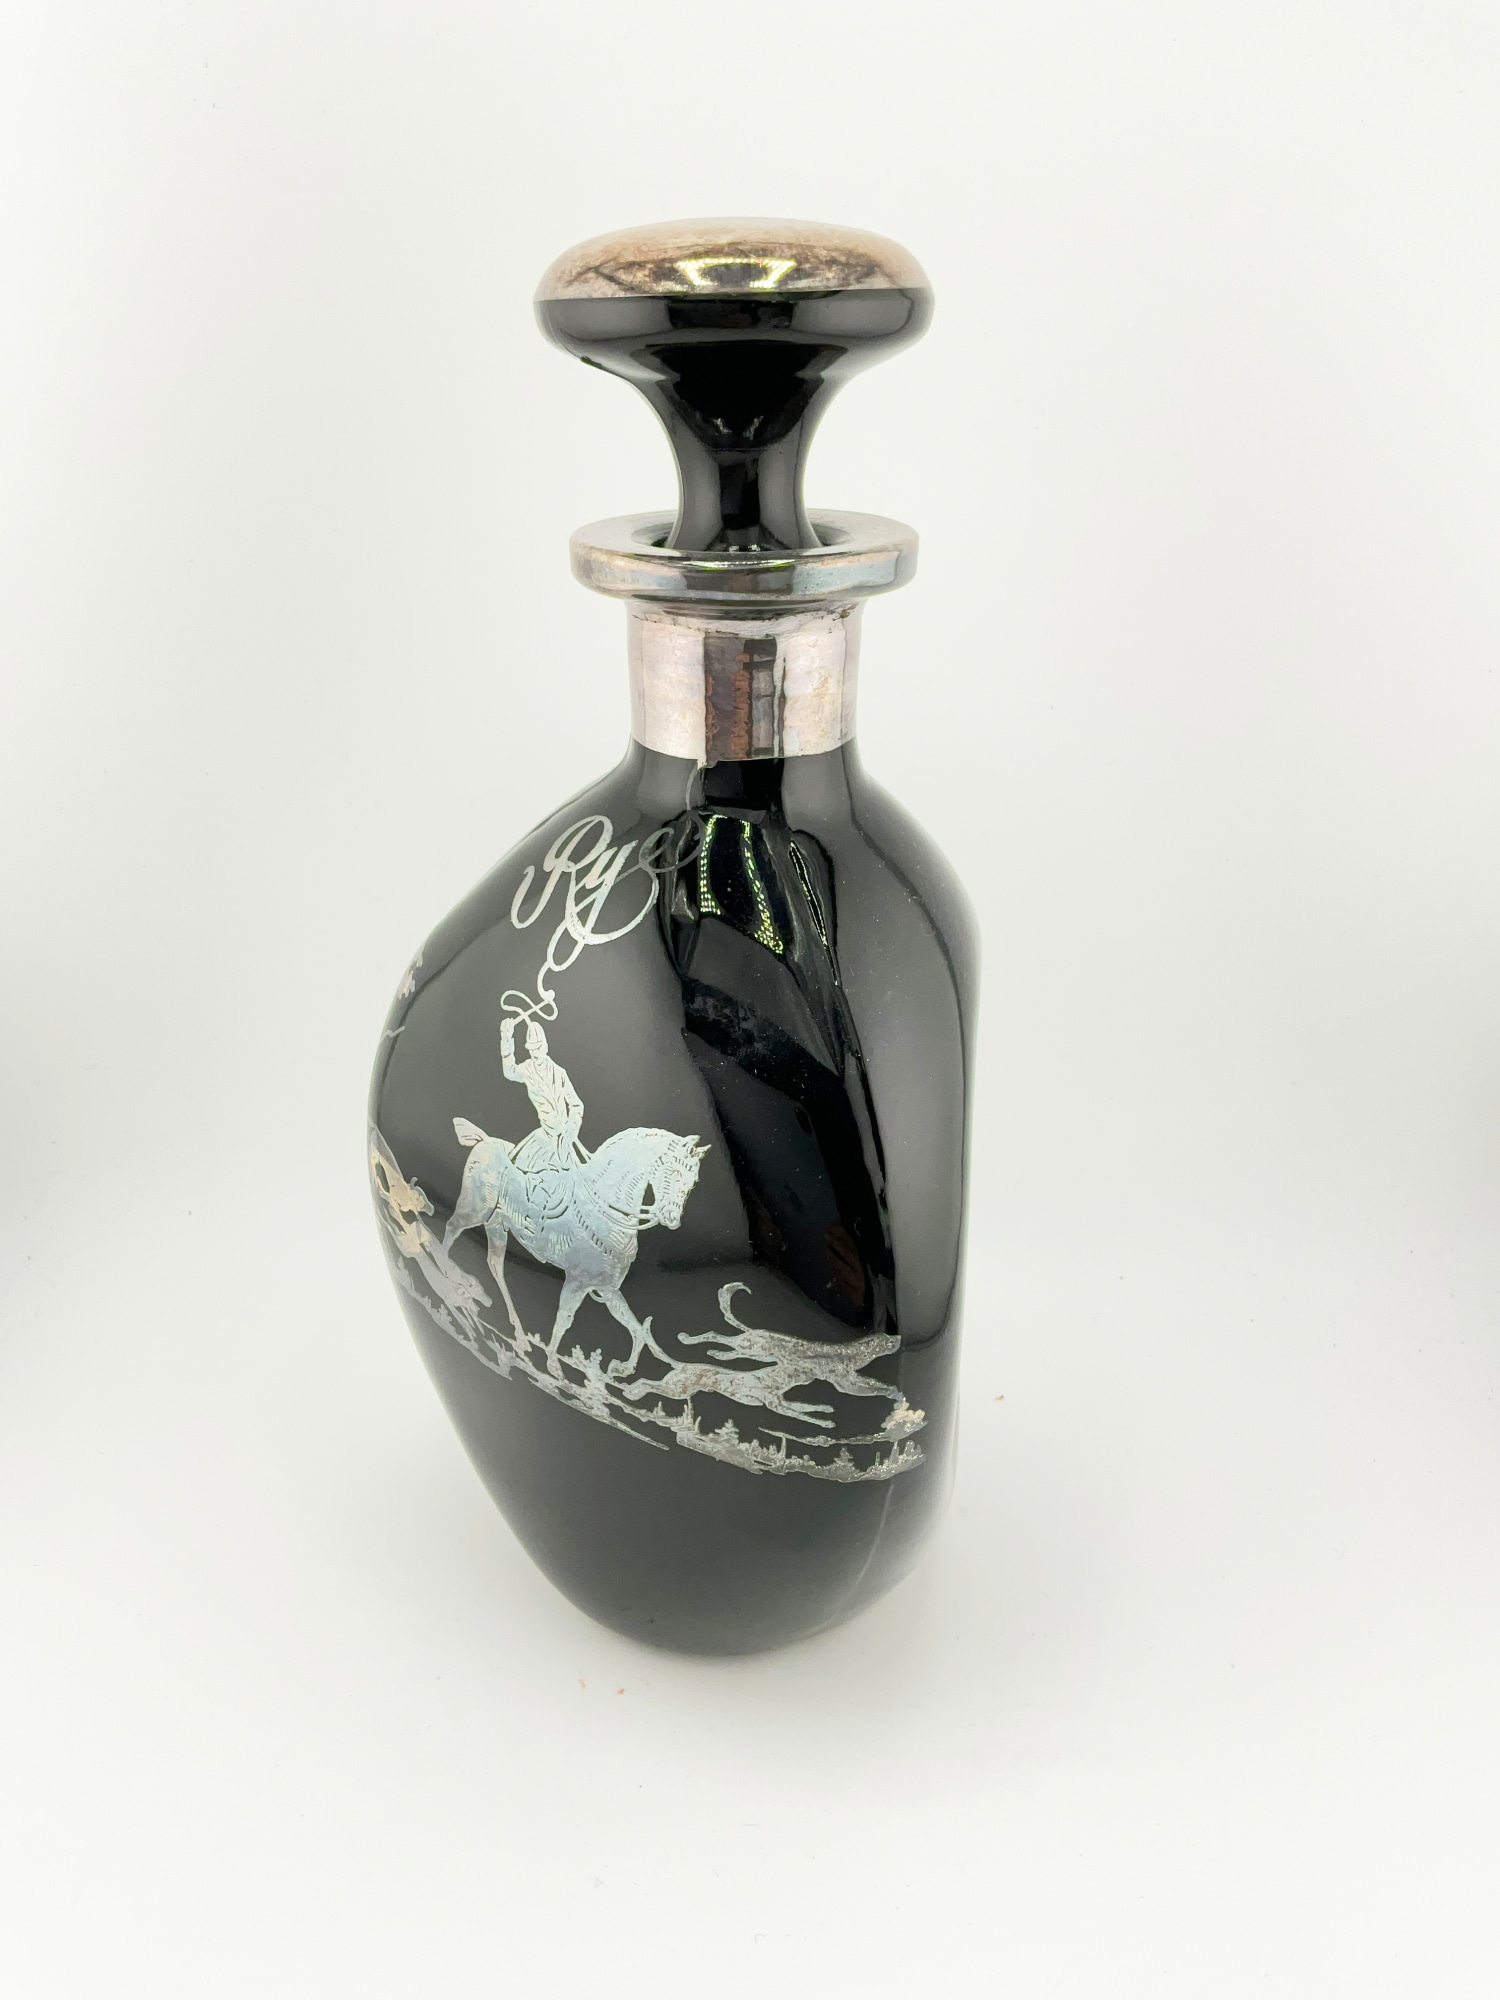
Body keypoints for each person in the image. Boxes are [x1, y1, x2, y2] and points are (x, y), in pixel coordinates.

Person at [501, 1015, 586, 1213]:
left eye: (538, 1047)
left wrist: (570, 1134)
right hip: (543, 1136)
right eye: (532, 1049)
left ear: (545, 1046)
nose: (536, 1053)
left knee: (576, 1187)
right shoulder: (528, 1069)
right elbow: (509, 1071)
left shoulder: (559, 1073)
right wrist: (506, 1039)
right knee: (523, 1178)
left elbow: (576, 1105)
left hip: (564, 1138)